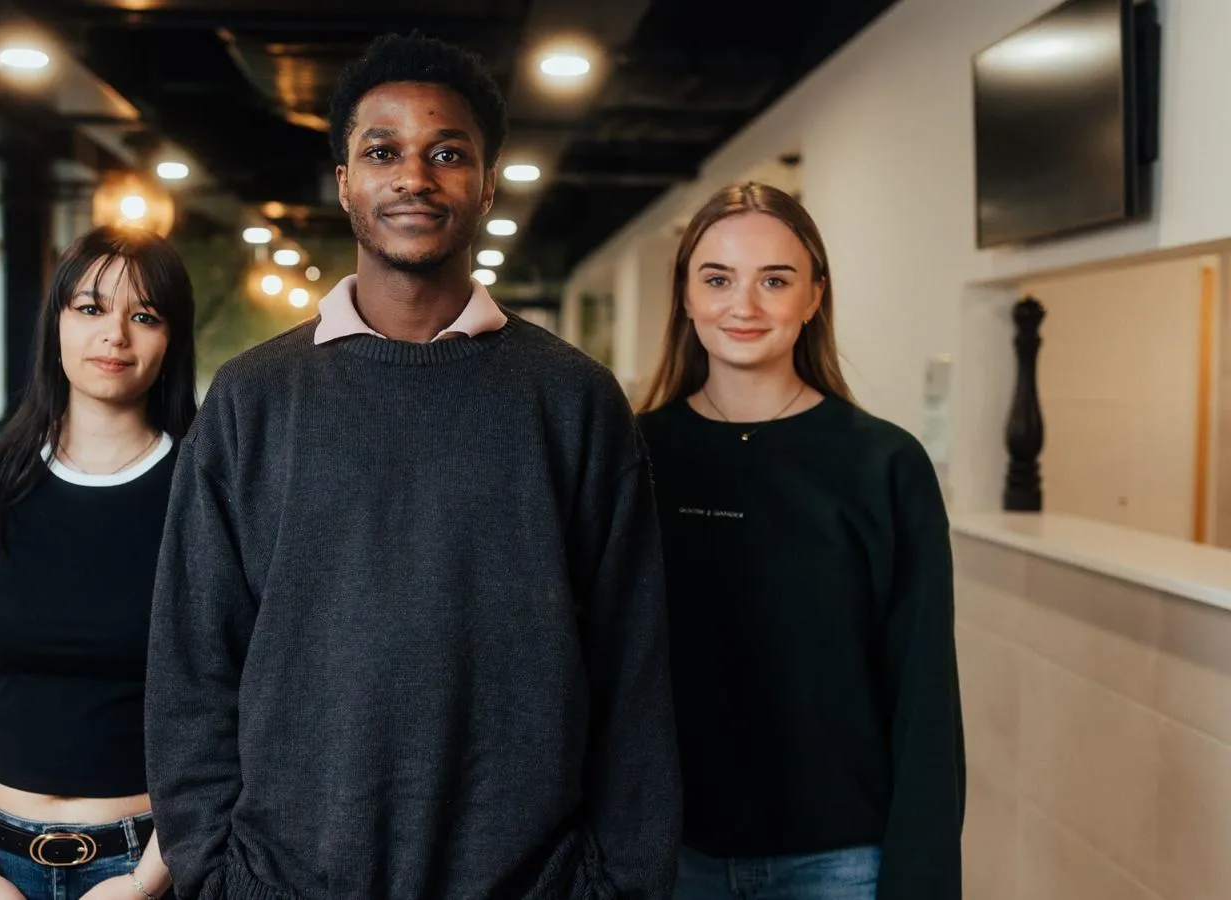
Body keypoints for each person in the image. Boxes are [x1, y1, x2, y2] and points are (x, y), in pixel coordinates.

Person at [144, 31, 680, 900]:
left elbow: (634, 669)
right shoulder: (253, 400)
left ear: (488, 183)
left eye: (448, 153)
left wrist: (613, 883)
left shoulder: (573, 400)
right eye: (382, 151)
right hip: (283, 884)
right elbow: (191, 664)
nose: (415, 177)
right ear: (346, 180)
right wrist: (216, 872)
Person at [636, 182, 964, 900]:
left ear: (814, 296)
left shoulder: (882, 464)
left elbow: (923, 697)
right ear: (685, 297)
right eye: (717, 279)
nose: (743, 306)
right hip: (666, 855)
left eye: (774, 280)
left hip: (840, 861)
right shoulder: (634, 457)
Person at [0, 226, 197, 900]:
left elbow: (234, 705)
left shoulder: (205, 489)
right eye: (91, 309)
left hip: (148, 864)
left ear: (171, 339)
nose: (115, 336)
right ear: (57, 324)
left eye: (144, 315)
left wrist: (147, 880)